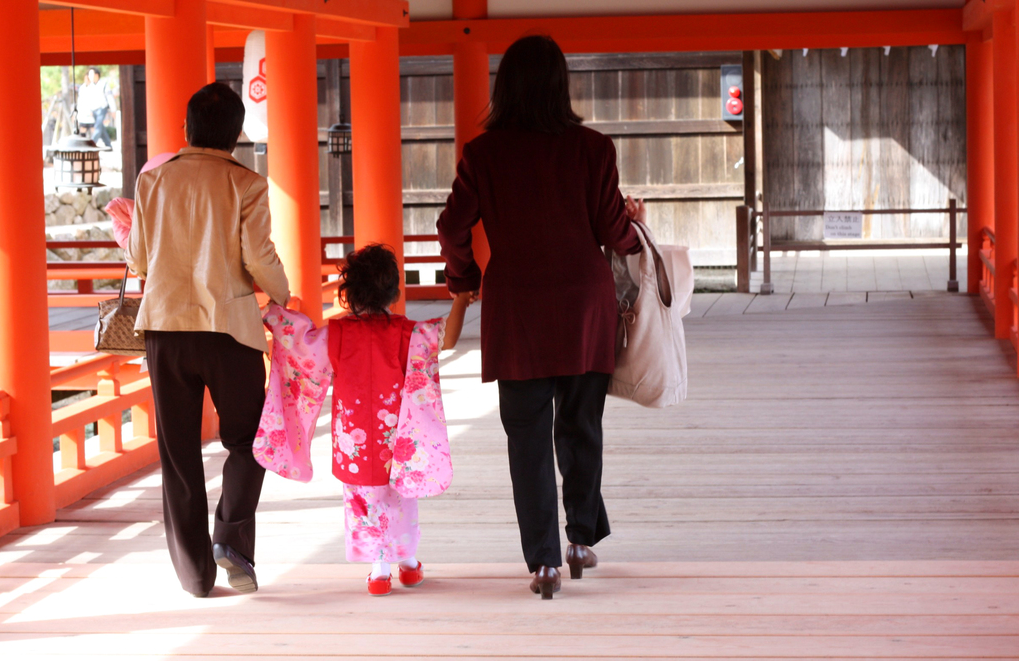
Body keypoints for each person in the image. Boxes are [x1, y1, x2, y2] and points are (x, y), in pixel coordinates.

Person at [436, 35, 645, 599]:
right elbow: (613, 233)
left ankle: (545, 564)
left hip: (518, 312)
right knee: (582, 426)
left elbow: (451, 228)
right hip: (583, 308)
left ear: (506, 87)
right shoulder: (594, 149)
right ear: (562, 84)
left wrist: (465, 280)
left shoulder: (484, 153)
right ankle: (580, 539)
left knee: (525, 437)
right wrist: (635, 224)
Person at [125, 82, 290, 598]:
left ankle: (196, 577)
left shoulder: (153, 181)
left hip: (166, 330)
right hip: (230, 332)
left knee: (178, 453)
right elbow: (258, 258)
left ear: (186, 128)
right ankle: (232, 542)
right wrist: (283, 297)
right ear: (236, 134)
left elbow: (138, 260)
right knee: (249, 441)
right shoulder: (247, 184)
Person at [326, 244, 474, 596]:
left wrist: (276, 315)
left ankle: (379, 573)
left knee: (364, 499)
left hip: (355, 441)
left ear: (350, 291)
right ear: (394, 290)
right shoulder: (406, 333)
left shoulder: (338, 333)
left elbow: (300, 347)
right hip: (398, 436)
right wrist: (462, 299)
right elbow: (448, 337)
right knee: (401, 497)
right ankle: (407, 566)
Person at [76, 67, 116, 149]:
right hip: (93, 110)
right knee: (100, 126)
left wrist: (113, 110)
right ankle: (108, 144)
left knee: (97, 127)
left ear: (96, 75)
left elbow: (110, 98)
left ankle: (92, 143)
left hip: (102, 108)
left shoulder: (104, 85)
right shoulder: (90, 86)